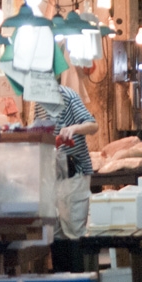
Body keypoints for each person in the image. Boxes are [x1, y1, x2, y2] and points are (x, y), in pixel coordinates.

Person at [34, 86, 98, 241]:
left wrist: (73, 128)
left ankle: (80, 265)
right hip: (54, 173)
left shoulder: (67, 96)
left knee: (74, 231)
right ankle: (61, 266)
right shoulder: (38, 102)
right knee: (55, 231)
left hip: (74, 171)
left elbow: (93, 125)